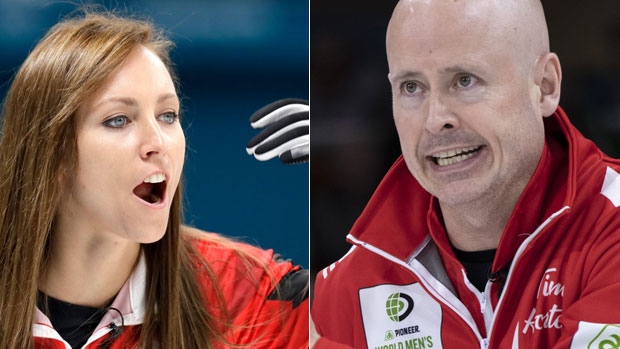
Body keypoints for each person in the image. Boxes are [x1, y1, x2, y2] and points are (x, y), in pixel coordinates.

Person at [311, 0, 620, 348]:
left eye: (464, 80)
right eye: (411, 87)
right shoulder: (346, 289)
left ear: (545, 86)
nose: (435, 119)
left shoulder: (612, 228)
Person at [0, 10, 309, 349]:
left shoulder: (248, 293)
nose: (158, 143)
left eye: (167, 115)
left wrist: (374, 160)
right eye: (118, 120)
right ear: (52, 152)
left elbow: (372, 311)